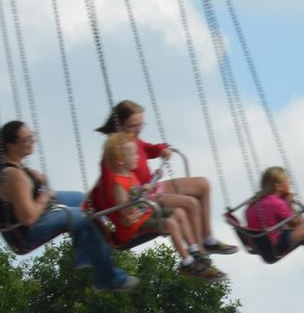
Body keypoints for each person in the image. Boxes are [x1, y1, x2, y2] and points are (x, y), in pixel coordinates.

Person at [0, 120, 137, 293]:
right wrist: (44, 195)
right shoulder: (13, 176)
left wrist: (35, 180)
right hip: (27, 232)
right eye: (27, 139)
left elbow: (25, 191)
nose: (33, 140)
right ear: (11, 146)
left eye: (32, 136)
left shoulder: (15, 168)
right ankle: (108, 278)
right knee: (87, 216)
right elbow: (28, 218)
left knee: (84, 200)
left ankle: (87, 253)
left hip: (38, 212)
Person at [88, 101, 227, 281]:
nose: (138, 130)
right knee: (189, 204)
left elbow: (146, 148)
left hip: (147, 188)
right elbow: (116, 197)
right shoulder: (115, 157)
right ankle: (197, 258)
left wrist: (162, 149)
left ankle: (207, 242)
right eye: (133, 126)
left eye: (140, 125)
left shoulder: (131, 142)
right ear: (119, 125)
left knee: (203, 185)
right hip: (143, 199)